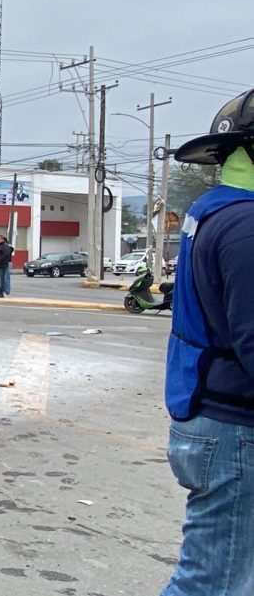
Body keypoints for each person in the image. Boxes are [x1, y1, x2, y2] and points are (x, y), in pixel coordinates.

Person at [160, 89, 254, 596]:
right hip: (236, 429)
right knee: (213, 585)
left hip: (211, 420)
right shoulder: (248, 225)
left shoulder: (214, 210)